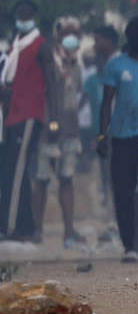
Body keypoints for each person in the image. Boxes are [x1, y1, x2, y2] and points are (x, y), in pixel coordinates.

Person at [99, 17, 138, 262]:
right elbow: (106, 103)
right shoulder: (116, 65)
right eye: (136, 33)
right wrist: (101, 134)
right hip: (122, 138)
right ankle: (129, 246)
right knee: (124, 192)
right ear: (129, 36)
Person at [0, 0, 52, 240]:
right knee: (12, 171)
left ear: (34, 16)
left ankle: (10, 228)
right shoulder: (14, 47)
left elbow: (51, 84)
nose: (22, 18)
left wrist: (52, 121)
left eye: (26, 15)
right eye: (19, 14)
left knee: (17, 171)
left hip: (30, 114)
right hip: (12, 115)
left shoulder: (41, 46)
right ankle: (25, 226)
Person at [33, 16, 86, 248]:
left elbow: (78, 92)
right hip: (48, 128)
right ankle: (36, 231)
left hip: (70, 128)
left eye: (76, 33)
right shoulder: (48, 59)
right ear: (59, 35)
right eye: (68, 33)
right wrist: (51, 121)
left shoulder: (76, 62)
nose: (72, 37)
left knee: (67, 179)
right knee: (42, 180)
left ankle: (69, 232)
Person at [82, 25, 118, 218]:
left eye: (97, 41)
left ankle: (115, 207)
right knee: (105, 168)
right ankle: (107, 202)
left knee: (116, 169)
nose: (95, 46)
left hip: (119, 129)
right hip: (101, 129)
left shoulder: (118, 65)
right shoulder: (93, 80)